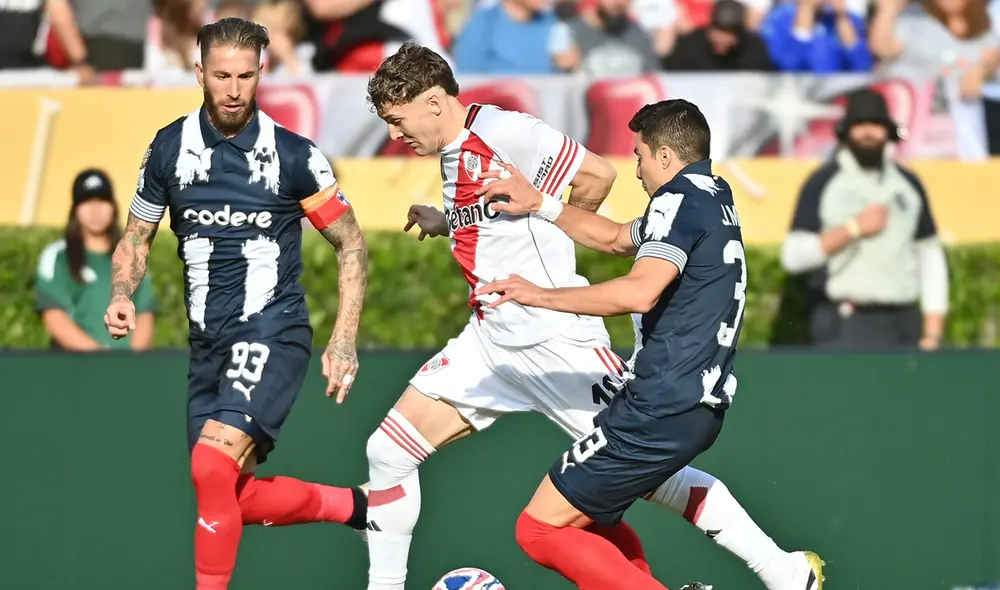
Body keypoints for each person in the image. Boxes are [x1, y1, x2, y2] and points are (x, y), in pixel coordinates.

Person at [362, 42, 823, 590]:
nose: (394, 134)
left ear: (435, 103)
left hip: (556, 339)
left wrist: (547, 271)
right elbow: (539, 220)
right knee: (387, 451)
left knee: (652, 482)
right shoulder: (450, 150)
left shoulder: (506, 131)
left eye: (397, 120)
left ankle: (782, 571)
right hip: (490, 340)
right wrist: (451, 221)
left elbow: (596, 176)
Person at [473, 99, 824, 590]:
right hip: (691, 405)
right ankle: (783, 573)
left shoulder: (677, 201)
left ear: (664, 155)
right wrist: (540, 204)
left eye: (638, 156)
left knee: (537, 530)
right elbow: (618, 238)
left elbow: (639, 292)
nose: (635, 170)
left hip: (659, 404)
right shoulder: (713, 194)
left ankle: (776, 572)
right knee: (594, 519)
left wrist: (538, 295)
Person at [103, 18, 368, 590]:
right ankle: (361, 508)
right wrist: (122, 293)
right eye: (221, 76)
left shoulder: (294, 155)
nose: (232, 90)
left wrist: (344, 339)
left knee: (209, 465)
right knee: (227, 493)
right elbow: (137, 237)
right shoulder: (169, 147)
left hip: (272, 330)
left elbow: (350, 244)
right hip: (208, 346)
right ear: (199, 72)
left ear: (261, 73)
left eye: (245, 77)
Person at [779, 88, 949, 349]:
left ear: (888, 131)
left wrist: (933, 332)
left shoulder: (908, 183)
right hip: (845, 323)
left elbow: (930, 255)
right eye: (859, 124)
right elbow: (793, 257)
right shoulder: (823, 181)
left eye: (876, 124)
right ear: (845, 131)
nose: (868, 133)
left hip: (903, 323)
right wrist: (852, 228)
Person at [36, 168, 157, 351]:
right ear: (75, 209)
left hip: (127, 366)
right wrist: (99, 360)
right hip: (75, 365)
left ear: (113, 207)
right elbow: (54, 318)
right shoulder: (57, 257)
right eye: (87, 202)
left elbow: (145, 316)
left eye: (102, 201)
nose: (95, 210)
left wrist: (132, 361)